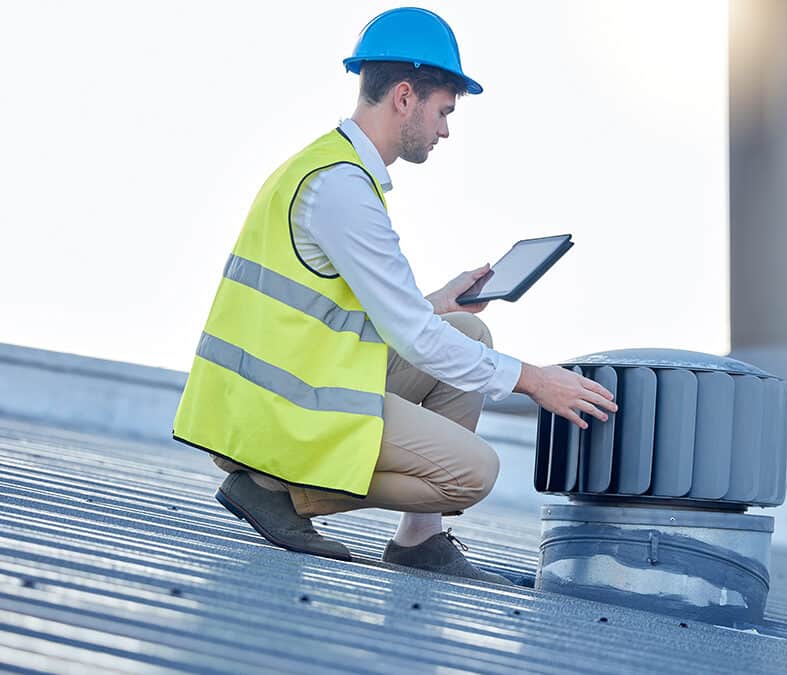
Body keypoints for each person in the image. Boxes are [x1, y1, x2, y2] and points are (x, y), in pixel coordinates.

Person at [172, 7, 617, 584]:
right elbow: (412, 338)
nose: (446, 130)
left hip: (292, 390)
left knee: (468, 332)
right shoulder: (341, 190)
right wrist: (535, 381)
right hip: (274, 418)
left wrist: (438, 303)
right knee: (474, 472)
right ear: (405, 97)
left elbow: (360, 317)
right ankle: (277, 490)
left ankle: (418, 539)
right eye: (443, 111)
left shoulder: (333, 171)